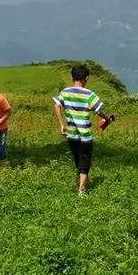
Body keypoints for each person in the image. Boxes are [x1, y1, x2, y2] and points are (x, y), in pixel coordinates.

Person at [53, 65, 115, 196]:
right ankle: (81, 190)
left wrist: (61, 124)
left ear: (72, 77)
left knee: (78, 159)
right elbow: (99, 111)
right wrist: (108, 119)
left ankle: (84, 180)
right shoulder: (90, 95)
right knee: (85, 161)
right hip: (85, 136)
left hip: (71, 135)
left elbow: (56, 105)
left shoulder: (65, 92)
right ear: (86, 79)